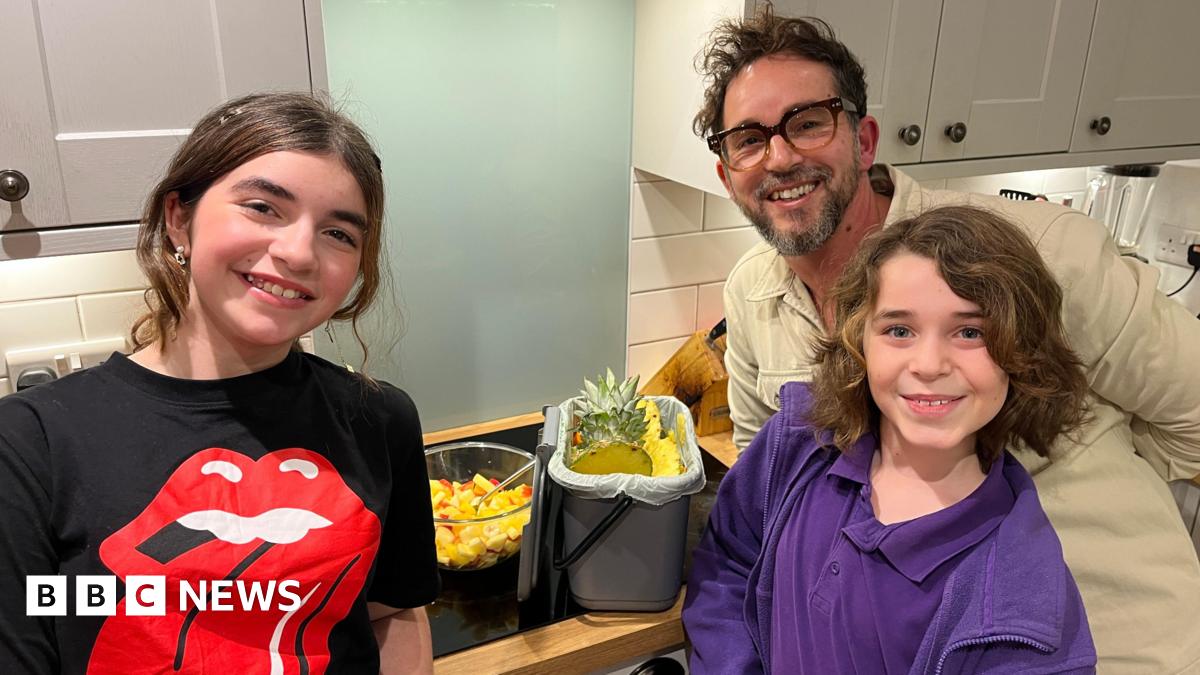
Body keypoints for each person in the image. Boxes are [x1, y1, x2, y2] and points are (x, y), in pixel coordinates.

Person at [696, 9, 1200, 672]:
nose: (782, 155)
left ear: (864, 139)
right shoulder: (752, 295)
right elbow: (761, 509)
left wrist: (1113, 486)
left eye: (809, 122)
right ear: (727, 174)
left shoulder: (1041, 254)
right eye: (749, 139)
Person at [0, 93, 438, 674]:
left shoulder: (380, 419)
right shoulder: (33, 442)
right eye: (262, 207)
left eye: (339, 234)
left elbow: (390, 614)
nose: (299, 252)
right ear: (179, 218)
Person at [684, 205, 1098, 673]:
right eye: (899, 330)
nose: (928, 364)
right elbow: (727, 564)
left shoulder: (1025, 615)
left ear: (1022, 350)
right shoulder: (797, 443)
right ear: (859, 338)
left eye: (969, 332)